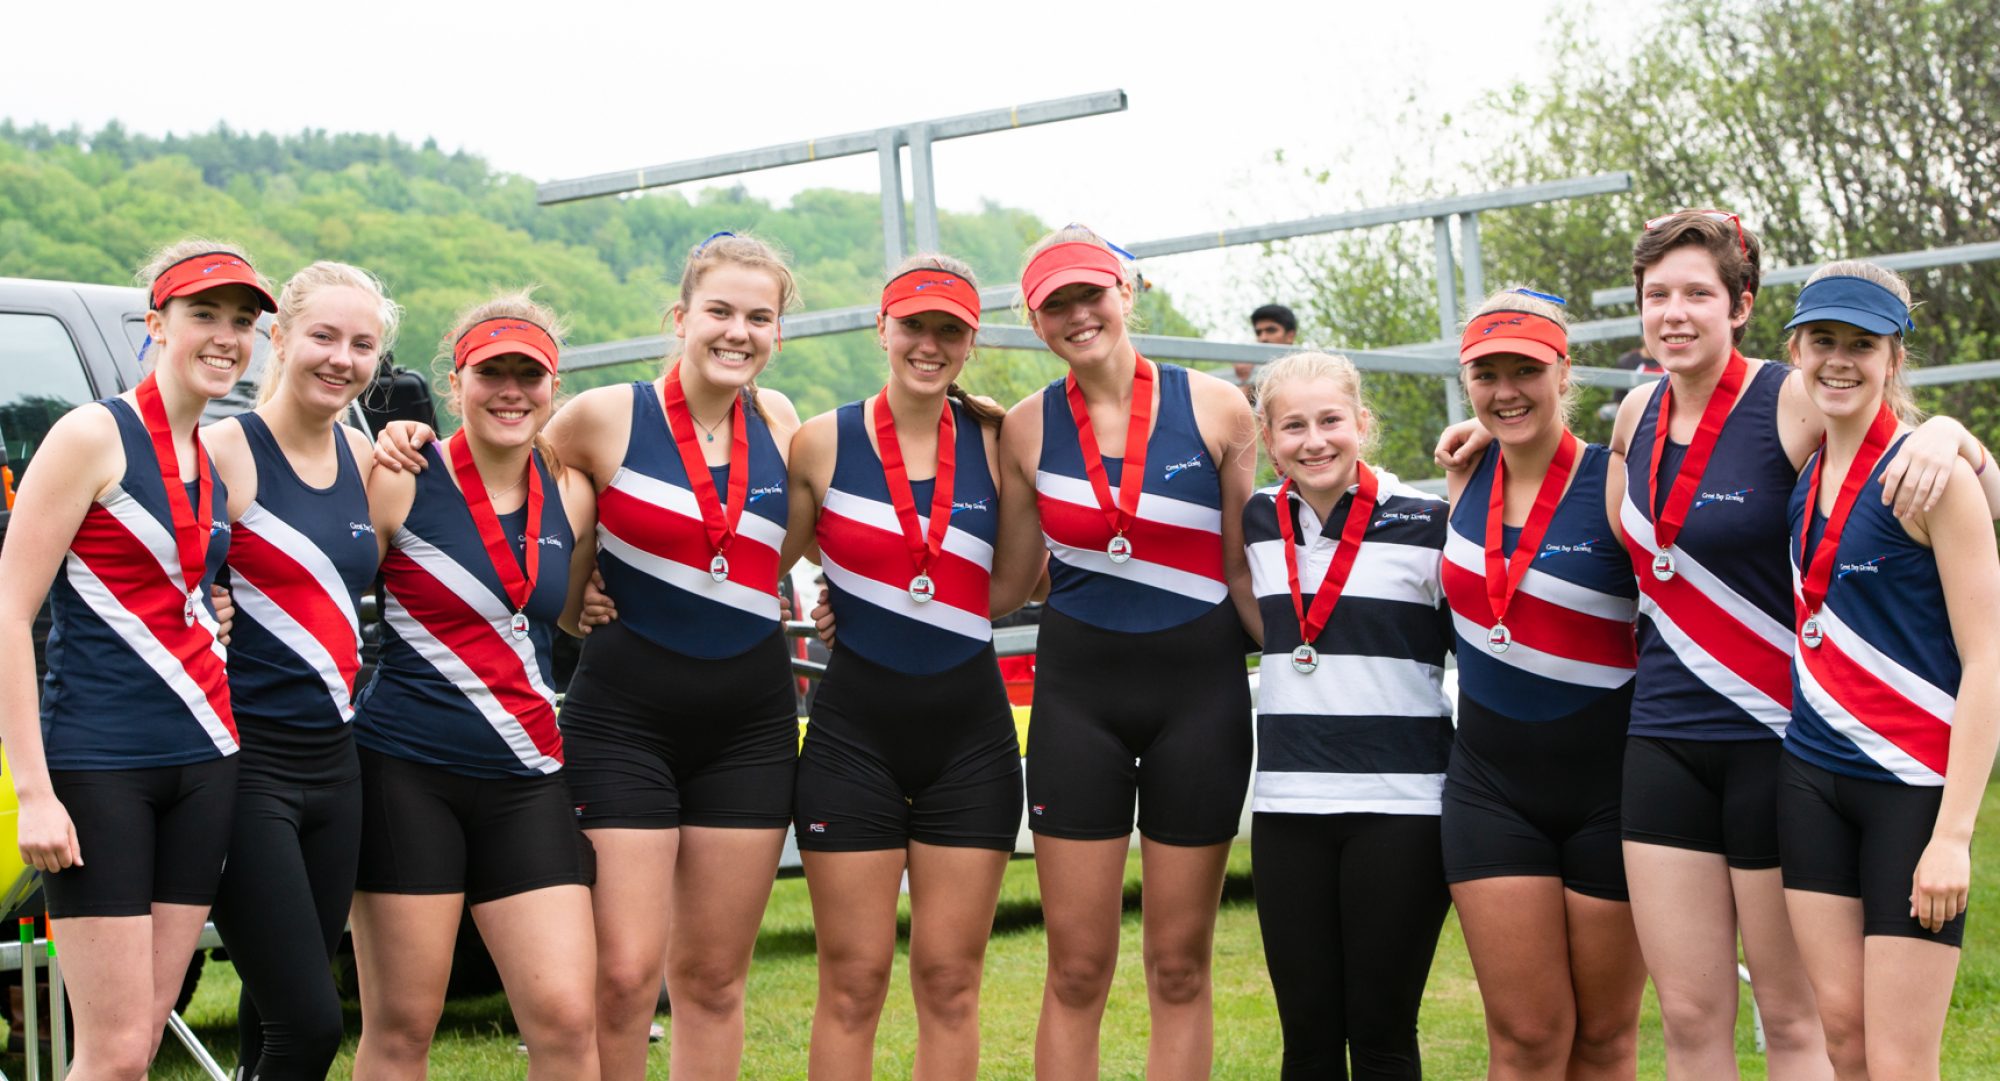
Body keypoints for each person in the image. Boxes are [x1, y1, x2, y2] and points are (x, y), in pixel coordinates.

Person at [1438, 210, 1991, 1078]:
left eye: (1698, 293)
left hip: (1777, 745)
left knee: (1795, 1018)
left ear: (1740, 304)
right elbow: (1600, 523)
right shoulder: (1632, 414)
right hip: (1660, 746)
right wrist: (1489, 445)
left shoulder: (1792, 394)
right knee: (1692, 1016)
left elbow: (1898, 442)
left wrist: (1954, 436)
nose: (1675, 313)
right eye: (1658, 295)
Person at [381, 232, 807, 1079]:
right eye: (719, 311)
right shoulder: (599, 415)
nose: (738, 332)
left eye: (759, 318)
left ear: (776, 334)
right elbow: (507, 489)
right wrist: (404, 435)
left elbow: (776, 549)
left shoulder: (782, 420)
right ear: (679, 318)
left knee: (716, 978)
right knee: (622, 978)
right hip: (627, 724)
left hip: (751, 725)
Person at [988, 226, 1259, 1081]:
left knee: (1179, 965)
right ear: (1035, 323)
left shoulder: (1218, 408)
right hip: (1079, 706)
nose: (1078, 315)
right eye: (1055, 304)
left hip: (1201, 703)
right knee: (1074, 968)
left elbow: (1252, 568)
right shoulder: (1026, 428)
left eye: (1090, 294)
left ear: (1126, 292)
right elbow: (1012, 583)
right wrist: (857, 594)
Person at [0, 239, 269, 1080]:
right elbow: (10, 611)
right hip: (100, 768)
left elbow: (179, 590)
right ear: (155, 324)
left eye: (241, 321)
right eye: (204, 316)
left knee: (142, 1042)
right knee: (111, 1052)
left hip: (205, 762)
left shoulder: (213, 453)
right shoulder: (90, 434)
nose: (226, 336)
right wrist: (34, 793)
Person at [780, 255, 1025, 1080]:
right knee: (852, 981)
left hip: (971, 742)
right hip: (855, 741)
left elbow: (1032, 572)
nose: (928, 343)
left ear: (970, 341)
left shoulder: (999, 439)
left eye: (948, 329)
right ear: (880, 328)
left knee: (951, 981)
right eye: (912, 325)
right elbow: (759, 554)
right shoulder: (821, 440)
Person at [349, 293, 599, 1081]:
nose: (512, 390)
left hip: (527, 777)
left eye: (531, 373)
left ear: (553, 386)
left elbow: (579, 601)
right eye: (493, 372)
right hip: (406, 772)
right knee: (402, 1026)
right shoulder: (399, 476)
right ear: (457, 383)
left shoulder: (573, 493)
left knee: (565, 1017)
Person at [1777, 262, 1999, 1079]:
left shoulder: (1931, 478)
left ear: (1894, 357)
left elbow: (1988, 660)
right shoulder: (1804, 473)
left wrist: (1954, 834)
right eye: (1823, 341)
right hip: (1810, 780)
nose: (1840, 360)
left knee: (1903, 1059)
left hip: (1912, 791)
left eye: (1862, 345)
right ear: (1796, 350)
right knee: (1846, 1040)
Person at [1441, 289, 1646, 1080]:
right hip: (1492, 790)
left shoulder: (1615, 482)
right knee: (1525, 1038)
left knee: (1604, 1040)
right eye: (1485, 374)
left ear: (1566, 373)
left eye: (1525, 369)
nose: (1505, 390)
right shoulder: (1461, 476)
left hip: (1614, 792)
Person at [1243, 351, 1454, 1079]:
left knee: (1382, 1030)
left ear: (1362, 423)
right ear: (1268, 439)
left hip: (1400, 808)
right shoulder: (1255, 522)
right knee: (1306, 1035)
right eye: (1293, 425)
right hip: (1288, 808)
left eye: (1331, 420)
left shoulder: (1431, 523)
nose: (1314, 440)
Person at [205, 262, 393, 1080]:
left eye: (362, 344)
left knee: (270, 1018)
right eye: (322, 335)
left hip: (337, 768)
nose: (340, 358)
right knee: (311, 1024)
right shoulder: (221, 449)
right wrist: (199, 599)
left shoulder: (367, 458)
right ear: (277, 338)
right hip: (245, 766)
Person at [1233, 304, 1300, 403]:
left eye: (1271, 330)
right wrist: (1245, 380)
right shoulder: (1253, 369)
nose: (1263, 338)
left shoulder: (1307, 369)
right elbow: (1238, 412)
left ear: (1290, 336)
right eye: (1258, 333)